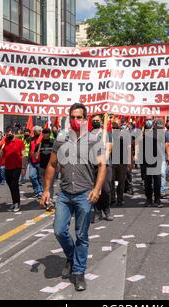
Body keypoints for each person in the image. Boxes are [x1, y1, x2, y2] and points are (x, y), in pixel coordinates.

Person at [40, 103, 106, 292]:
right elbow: (52, 165)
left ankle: (78, 273)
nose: (76, 121)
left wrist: (97, 189)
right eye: (73, 117)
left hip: (85, 194)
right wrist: (46, 190)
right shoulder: (61, 139)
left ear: (85, 119)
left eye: (79, 117)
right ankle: (71, 255)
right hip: (65, 194)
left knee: (82, 235)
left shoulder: (94, 140)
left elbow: (102, 166)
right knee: (59, 230)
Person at [90, 115, 113, 223]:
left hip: (104, 165)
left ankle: (107, 209)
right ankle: (97, 212)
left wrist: (104, 161)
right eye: (93, 120)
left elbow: (108, 148)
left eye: (97, 120)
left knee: (105, 189)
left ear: (101, 122)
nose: (95, 122)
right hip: (92, 166)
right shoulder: (88, 135)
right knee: (95, 189)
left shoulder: (105, 134)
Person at [0, 127, 25, 212]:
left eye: (10, 133)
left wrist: (23, 167)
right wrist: (0, 149)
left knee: (14, 184)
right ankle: (14, 202)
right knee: (10, 185)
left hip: (17, 167)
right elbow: (0, 156)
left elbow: (23, 155)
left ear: (13, 133)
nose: (8, 135)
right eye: (7, 133)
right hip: (8, 167)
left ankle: (17, 203)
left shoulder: (19, 142)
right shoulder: (4, 142)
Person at [110, 117, 127, 207]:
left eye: (117, 125)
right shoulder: (109, 134)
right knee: (111, 180)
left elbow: (128, 147)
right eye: (114, 125)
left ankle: (120, 199)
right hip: (112, 160)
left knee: (121, 181)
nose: (115, 126)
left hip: (122, 161)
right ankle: (112, 199)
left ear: (120, 125)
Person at [38, 127, 55, 205]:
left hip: (51, 167)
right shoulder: (40, 142)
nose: (45, 134)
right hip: (42, 166)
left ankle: (49, 200)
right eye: (44, 132)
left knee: (50, 184)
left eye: (47, 132)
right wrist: (38, 147)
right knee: (44, 185)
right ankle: (45, 197)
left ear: (49, 133)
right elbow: (35, 156)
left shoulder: (53, 142)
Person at [28, 126, 43, 198]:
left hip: (41, 161)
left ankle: (40, 191)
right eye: (34, 131)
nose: (34, 132)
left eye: (36, 131)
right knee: (31, 176)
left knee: (40, 178)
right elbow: (30, 149)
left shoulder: (43, 139)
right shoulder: (31, 139)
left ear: (40, 131)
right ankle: (37, 190)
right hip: (32, 162)